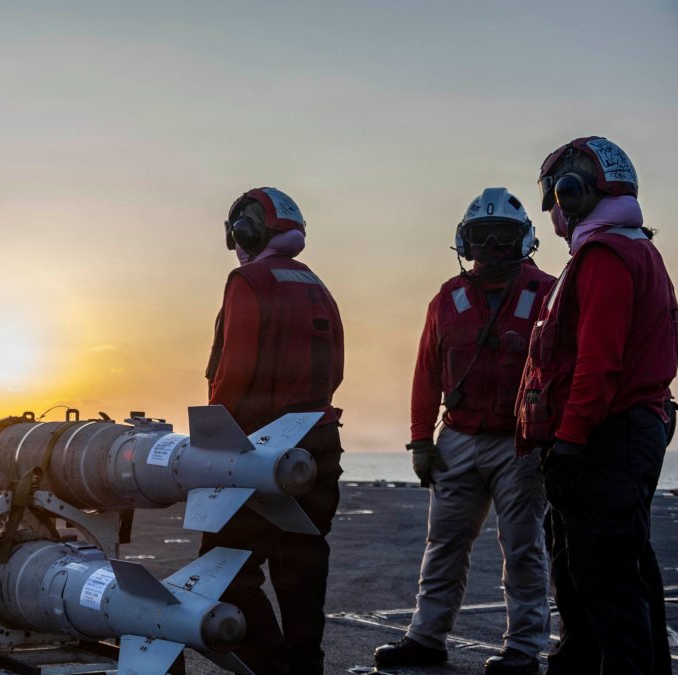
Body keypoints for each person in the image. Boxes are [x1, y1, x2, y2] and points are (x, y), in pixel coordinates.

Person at [373, 188, 553, 673]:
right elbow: (426, 372)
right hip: (457, 439)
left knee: (523, 548)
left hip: (521, 443)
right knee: (443, 545)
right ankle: (425, 638)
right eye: (481, 235)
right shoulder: (446, 300)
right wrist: (419, 439)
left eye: (503, 235)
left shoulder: (549, 293)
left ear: (524, 240)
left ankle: (523, 649)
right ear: (465, 241)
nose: (491, 245)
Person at [518, 136, 678, 674]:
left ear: (574, 193)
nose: (556, 212)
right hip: (629, 430)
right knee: (616, 569)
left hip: (606, 436)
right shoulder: (637, 250)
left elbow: (597, 363)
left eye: (558, 197)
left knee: (603, 579)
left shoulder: (604, 256)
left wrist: (569, 443)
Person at [201, 187, 343, 675]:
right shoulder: (316, 283)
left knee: (222, 572)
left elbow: (234, 372)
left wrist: (214, 444)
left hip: (260, 446)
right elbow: (336, 370)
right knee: (301, 567)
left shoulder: (248, 279)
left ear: (246, 231)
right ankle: (305, 666)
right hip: (320, 438)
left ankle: (272, 668)